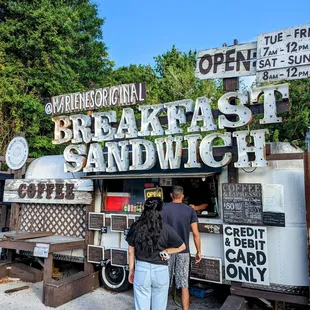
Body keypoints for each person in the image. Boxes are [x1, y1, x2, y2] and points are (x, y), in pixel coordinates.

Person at [126, 197, 186, 310]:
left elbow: (130, 250)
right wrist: (168, 250)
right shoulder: (166, 228)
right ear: (160, 211)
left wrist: (132, 271)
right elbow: (182, 246)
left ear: (144, 209)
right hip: (160, 270)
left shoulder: (136, 226)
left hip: (141, 270)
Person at [162, 185, 202, 310]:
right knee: (184, 284)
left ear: (170, 195)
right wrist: (198, 251)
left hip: (166, 251)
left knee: (163, 283)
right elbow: (196, 233)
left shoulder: (163, 208)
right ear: (183, 196)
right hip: (184, 251)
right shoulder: (190, 211)